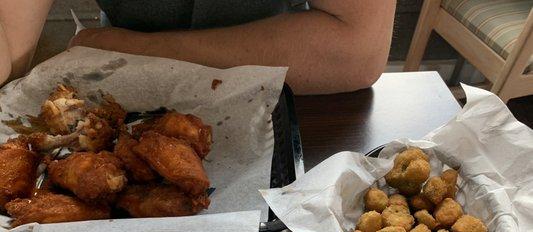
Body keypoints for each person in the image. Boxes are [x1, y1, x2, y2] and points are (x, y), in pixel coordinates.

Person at [0, 1, 396, 94]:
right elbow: (10, 33)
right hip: (115, 81)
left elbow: (356, 51)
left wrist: (137, 49)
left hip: (286, 94)